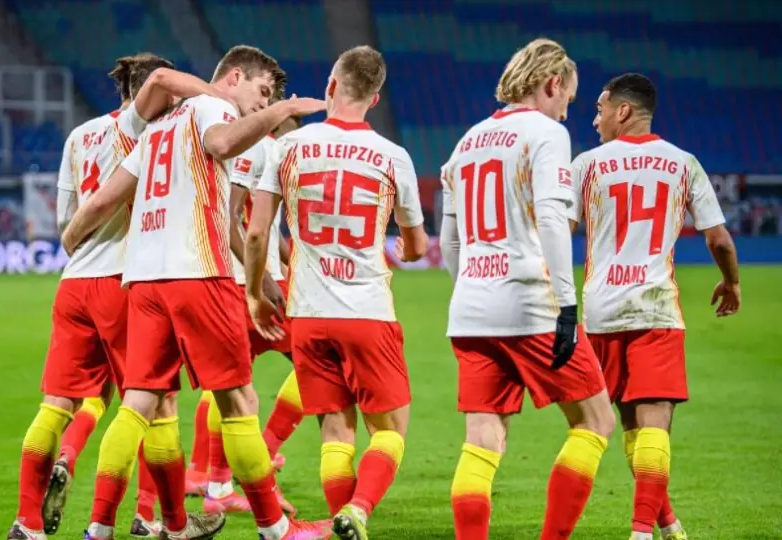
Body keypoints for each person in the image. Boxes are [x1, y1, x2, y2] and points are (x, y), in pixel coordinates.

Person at [68, 45, 331, 540]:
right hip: (199, 273)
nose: (263, 102)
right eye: (262, 90)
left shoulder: (157, 127)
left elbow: (105, 198)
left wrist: (71, 234)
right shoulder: (214, 106)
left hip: (144, 281)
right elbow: (223, 142)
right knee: (239, 401)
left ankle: (99, 528)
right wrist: (284, 111)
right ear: (234, 77)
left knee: (137, 403)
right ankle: (276, 528)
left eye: (270, 97)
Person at [6, 53, 226, 540]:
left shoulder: (78, 136)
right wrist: (221, 99)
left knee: (56, 405)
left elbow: (67, 219)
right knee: (157, 408)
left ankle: (27, 522)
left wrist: (78, 241)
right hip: (126, 283)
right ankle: (160, 521)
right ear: (152, 92)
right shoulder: (144, 130)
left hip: (75, 283)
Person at [244, 45, 429, 540]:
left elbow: (257, 233)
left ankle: (340, 520)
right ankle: (359, 510)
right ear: (375, 97)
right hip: (367, 312)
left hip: (308, 313)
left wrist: (255, 295)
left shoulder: (286, 147)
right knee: (389, 430)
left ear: (330, 86)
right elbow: (415, 244)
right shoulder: (393, 157)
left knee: (334, 432)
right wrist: (407, 250)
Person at [438, 38, 616, 540]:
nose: (567, 112)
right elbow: (553, 220)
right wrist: (567, 305)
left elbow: (450, 240)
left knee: (482, 441)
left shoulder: (467, 141)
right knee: (595, 422)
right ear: (552, 83)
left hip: (471, 309)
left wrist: (471, 288)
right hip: (530, 304)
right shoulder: (545, 132)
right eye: (568, 99)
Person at [571, 72, 741, 540]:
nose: (596, 119)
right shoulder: (683, 163)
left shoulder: (586, 164)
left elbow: (558, 231)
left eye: (601, 109)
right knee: (654, 427)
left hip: (601, 312)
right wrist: (731, 282)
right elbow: (719, 239)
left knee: (628, 427)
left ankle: (668, 527)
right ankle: (643, 532)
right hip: (656, 309)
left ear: (623, 111)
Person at [195, 111, 302, 516]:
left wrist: (291, 263)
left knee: (229, 385)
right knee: (320, 367)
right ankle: (262, 454)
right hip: (252, 285)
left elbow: (263, 230)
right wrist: (263, 280)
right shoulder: (264, 149)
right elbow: (232, 220)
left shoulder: (252, 149)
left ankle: (217, 482)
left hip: (238, 280)